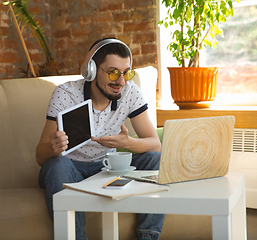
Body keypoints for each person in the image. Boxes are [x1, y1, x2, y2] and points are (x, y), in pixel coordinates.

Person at [36, 37, 165, 240]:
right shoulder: (66, 94)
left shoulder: (130, 92)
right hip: (70, 169)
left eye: (126, 73)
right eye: (113, 72)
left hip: (108, 168)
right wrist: (53, 147)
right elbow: (40, 157)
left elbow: (155, 145)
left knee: (154, 160)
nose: (121, 81)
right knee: (57, 164)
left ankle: (148, 237)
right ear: (92, 71)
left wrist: (128, 143)